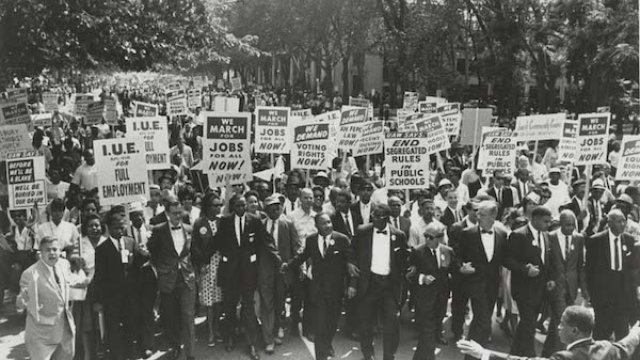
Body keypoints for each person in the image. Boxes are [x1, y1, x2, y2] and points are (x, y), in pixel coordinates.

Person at [212, 194, 280, 360]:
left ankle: (251, 344)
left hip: (249, 272)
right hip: (230, 273)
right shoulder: (226, 222)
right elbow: (216, 242)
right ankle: (229, 338)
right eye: (238, 206)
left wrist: (276, 255)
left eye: (243, 206)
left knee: (248, 307)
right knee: (230, 306)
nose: (241, 209)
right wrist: (201, 257)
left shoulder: (255, 220)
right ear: (233, 207)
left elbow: (265, 240)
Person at [282, 213, 353, 360]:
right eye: (323, 223)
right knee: (320, 325)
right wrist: (288, 265)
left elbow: (351, 263)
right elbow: (303, 256)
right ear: (317, 226)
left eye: (329, 222)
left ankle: (327, 344)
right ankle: (321, 354)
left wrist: (352, 285)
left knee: (332, 323)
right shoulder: (311, 240)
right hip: (318, 290)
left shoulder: (342, 240)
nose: (328, 226)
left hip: (336, 291)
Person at [458, 305, 640, 360]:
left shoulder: (565, 357)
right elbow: (628, 343)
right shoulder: (608, 348)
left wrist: (484, 353)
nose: (557, 328)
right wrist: (637, 330)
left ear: (575, 330)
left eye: (562, 324)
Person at [349, 204, 409, 360]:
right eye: (373, 216)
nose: (372, 219)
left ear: (386, 219)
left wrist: (412, 267)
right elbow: (351, 251)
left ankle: (389, 356)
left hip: (389, 286)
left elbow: (404, 259)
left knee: (392, 324)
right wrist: (350, 264)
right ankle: (367, 354)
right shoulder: (362, 232)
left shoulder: (399, 235)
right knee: (365, 324)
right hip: (369, 284)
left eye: (376, 217)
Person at [147, 198, 197, 360]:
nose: (177, 216)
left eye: (180, 212)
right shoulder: (159, 230)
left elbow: (193, 253)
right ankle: (176, 346)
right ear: (167, 213)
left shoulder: (189, 229)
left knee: (188, 316)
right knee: (171, 317)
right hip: (167, 280)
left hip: (186, 279)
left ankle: (190, 353)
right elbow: (152, 252)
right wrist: (162, 270)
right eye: (174, 213)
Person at [456, 200, 508, 354]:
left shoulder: (502, 234)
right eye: (478, 213)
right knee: (483, 320)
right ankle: (476, 352)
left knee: (481, 322)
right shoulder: (467, 234)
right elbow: (457, 255)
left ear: (494, 216)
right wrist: (461, 267)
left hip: (492, 284)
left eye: (483, 214)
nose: (478, 217)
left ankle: (476, 352)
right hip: (474, 283)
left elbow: (505, 259)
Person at [505, 206, 558, 357]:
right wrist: (525, 269)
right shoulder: (518, 235)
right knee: (529, 324)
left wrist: (551, 279)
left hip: (540, 290)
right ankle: (531, 355)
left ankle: (514, 353)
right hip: (524, 289)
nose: (548, 224)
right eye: (545, 221)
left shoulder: (546, 236)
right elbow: (507, 260)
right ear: (534, 219)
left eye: (549, 222)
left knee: (527, 324)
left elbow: (548, 262)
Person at [17, 236, 77, 360]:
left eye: (55, 249)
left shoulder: (64, 265)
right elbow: (21, 302)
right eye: (47, 250)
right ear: (40, 253)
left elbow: (70, 284)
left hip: (65, 329)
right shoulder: (30, 274)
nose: (52, 253)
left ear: (60, 251)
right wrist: (22, 301)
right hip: (41, 334)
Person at [586, 209, 639, 341]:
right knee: (601, 333)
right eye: (619, 221)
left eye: (624, 221)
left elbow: (633, 268)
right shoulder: (596, 241)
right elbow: (589, 271)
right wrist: (591, 295)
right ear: (609, 223)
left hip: (622, 293)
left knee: (622, 333)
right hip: (603, 294)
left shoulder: (629, 240)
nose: (623, 224)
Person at [543, 210, 589, 356]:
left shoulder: (579, 238)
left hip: (572, 287)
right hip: (556, 286)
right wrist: (548, 280)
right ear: (560, 223)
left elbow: (580, 266)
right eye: (567, 225)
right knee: (564, 320)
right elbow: (546, 263)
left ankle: (546, 353)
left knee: (556, 322)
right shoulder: (550, 237)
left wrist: (584, 289)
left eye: (573, 225)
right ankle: (561, 355)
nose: (570, 228)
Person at [259, 195, 301, 354]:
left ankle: (277, 329)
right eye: (271, 207)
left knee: (279, 304)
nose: (275, 210)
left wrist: (297, 266)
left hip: (283, 271)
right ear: (266, 209)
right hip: (265, 271)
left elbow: (296, 247)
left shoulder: (288, 224)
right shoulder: (260, 225)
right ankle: (268, 339)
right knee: (266, 304)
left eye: (278, 207)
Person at [93, 210, 136, 360]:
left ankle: (130, 354)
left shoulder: (130, 242)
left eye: (122, 227)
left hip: (129, 294)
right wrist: (98, 300)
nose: (120, 231)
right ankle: (117, 356)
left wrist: (140, 257)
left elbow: (137, 266)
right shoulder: (102, 249)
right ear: (109, 228)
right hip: (112, 296)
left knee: (130, 325)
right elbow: (99, 276)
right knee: (113, 328)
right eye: (116, 228)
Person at [410, 222, 454, 360]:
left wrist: (461, 270)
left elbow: (453, 269)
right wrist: (422, 278)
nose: (427, 239)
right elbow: (408, 274)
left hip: (441, 298)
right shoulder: (418, 251)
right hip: (424, 298)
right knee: (427, 332)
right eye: (425, 236)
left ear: (440, 238)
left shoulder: (448, 251)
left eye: (431, 237)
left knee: (431, 331)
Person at [191, 193, 224, 347]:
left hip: (221, 265)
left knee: (218, 301)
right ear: (207, 207)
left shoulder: (222, 221)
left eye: (219, 205)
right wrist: (201, 264)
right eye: (214, 205)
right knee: (209, 302)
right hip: (207, 266)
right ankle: (210, 331)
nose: (218, 208)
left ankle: (217, 329)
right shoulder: (199, 223)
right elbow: (195, 247)